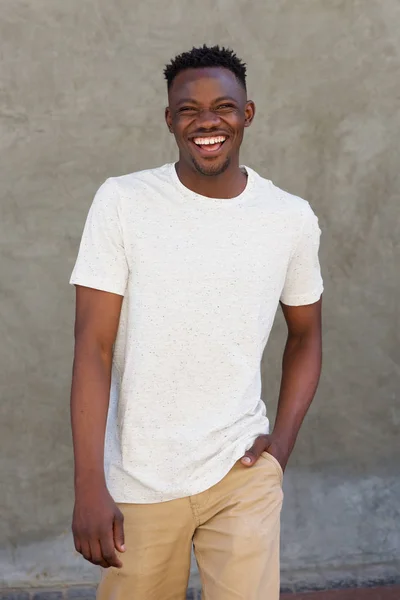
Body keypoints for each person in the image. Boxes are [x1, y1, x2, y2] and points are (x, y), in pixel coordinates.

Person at [69, 44, 323, 600]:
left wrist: (279, 448)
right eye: (188, 109)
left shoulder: (289, 218)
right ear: (169, 119)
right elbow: (92, 345)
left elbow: (306, 334)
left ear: (247, 114)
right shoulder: (123, 202)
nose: (207, 121)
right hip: (139, 479)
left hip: (241, 470)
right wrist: (90, 482)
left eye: (223, 107)